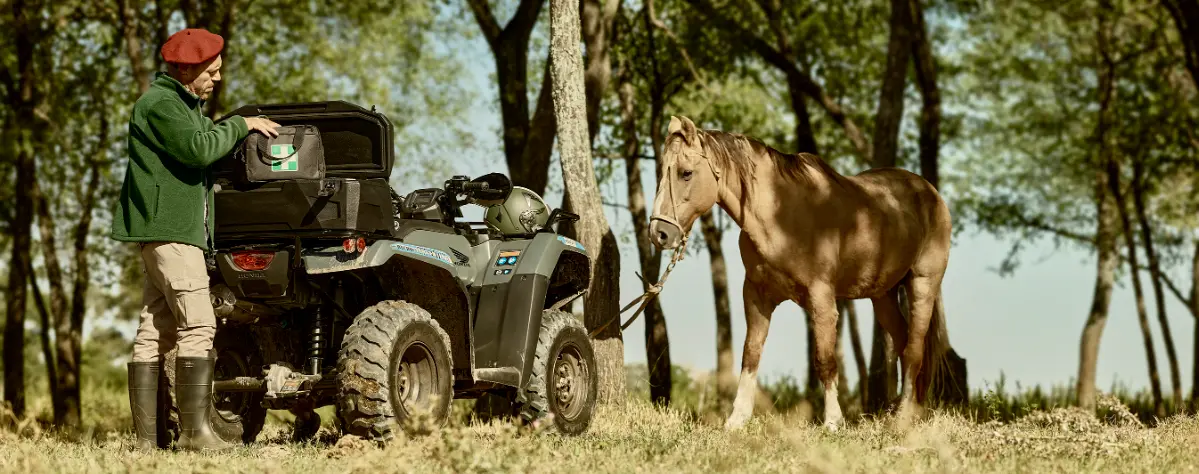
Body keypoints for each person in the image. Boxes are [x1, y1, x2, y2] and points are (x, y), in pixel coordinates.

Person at [111, 27, 280, 451]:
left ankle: (150, 442)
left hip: (167, 234)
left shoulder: (182, 105)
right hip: (171, 233)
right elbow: (199, 151)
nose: (217, 78)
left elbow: (201, 142)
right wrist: (240, 124)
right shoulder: (162, 104)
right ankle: (195, 434)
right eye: (212, 71)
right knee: (200, 325)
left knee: (155, 331)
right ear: (187, 67)